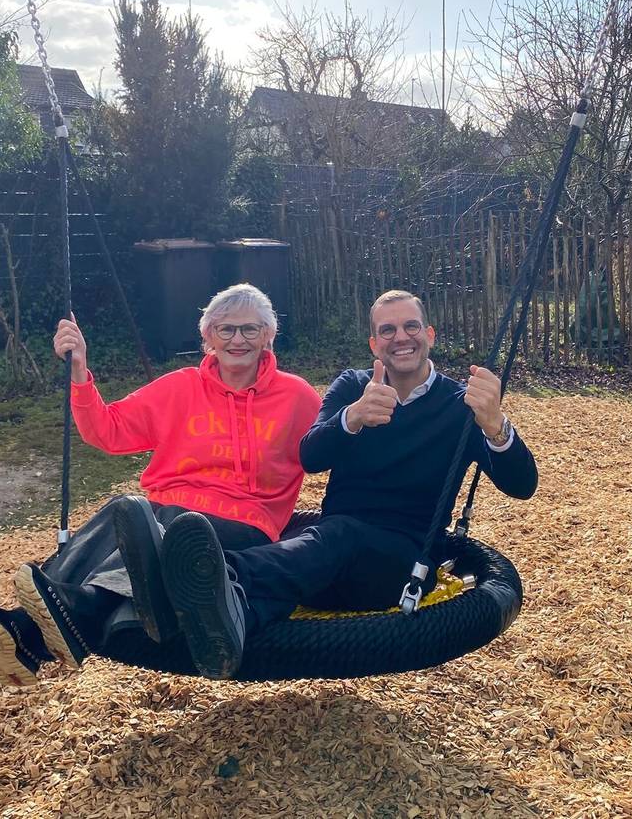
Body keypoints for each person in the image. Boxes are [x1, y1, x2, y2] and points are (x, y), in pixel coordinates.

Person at [117, 289, 539, 679]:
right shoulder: (354, 387)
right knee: (307, 553)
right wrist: (352, 418)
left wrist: (495, 425)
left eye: (411, 326)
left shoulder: (459, 405)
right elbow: (310, 457)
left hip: (402, 562)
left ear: (428, 334)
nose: (401, 337)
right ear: (375, 344)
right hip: (332, 563)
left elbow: (522, 485)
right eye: (386, 330)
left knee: (333, 536)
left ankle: (212, 578)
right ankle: (231, 617)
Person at [0, 283, 321, 687]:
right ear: (208, 337)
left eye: (251, 330)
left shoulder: (297, 397)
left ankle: (50, 621)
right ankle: (28, 632)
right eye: (227, 329)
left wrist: (364, 419)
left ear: (269, 336)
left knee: (165, 527)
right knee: (125, 510)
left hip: (243, 522)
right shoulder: (178, 387)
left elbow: (332, 448)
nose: (238, 340)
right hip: (161, 511)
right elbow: (108, 431)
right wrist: (79, 371)